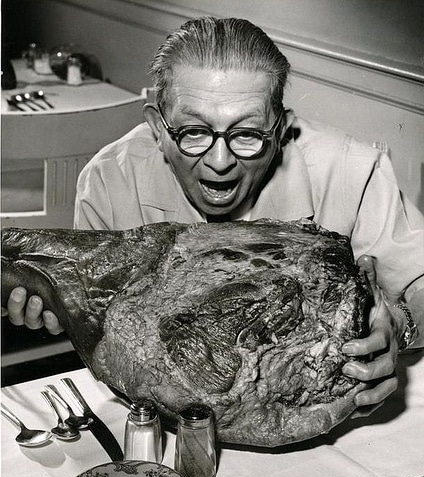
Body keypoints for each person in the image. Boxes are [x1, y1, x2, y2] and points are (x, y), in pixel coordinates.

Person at [3, 17, 423, 417]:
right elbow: (99, 323)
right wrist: (58, 307)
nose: (219, 162)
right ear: (157, 128)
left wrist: (398, 327)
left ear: (280, 132)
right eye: (194, 131)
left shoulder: (351, 170)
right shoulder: (110, 179)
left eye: (247, 134)